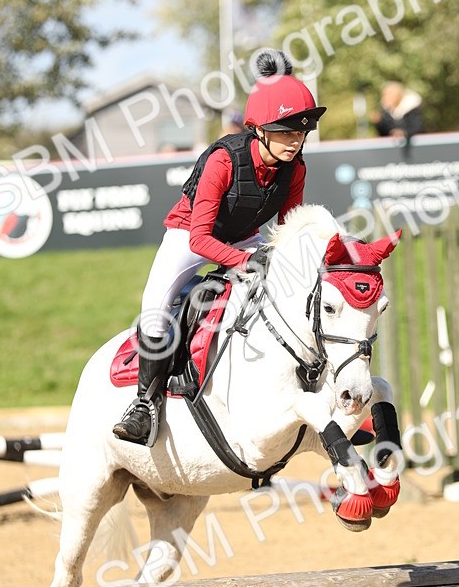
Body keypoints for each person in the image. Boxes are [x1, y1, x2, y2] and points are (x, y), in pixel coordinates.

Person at [113, 49, 326, 445]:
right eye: (284, 132)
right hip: (190, 234)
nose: (294, 141)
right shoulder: (224, 160)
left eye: (299, 133)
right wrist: (246, 261)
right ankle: (143, 404)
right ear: (258, 129)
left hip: (244, 235)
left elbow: (289, 229)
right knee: (156, 308)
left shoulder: (295, 168)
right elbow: (200, 238)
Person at [370, 82, 423, 150]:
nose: (385, 98)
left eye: (388, 95)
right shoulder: (385, 111)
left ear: (397, 95)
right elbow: (385, 133)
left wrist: (404, 133)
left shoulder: (412, 108)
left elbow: (416, 128)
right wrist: (379, 122)